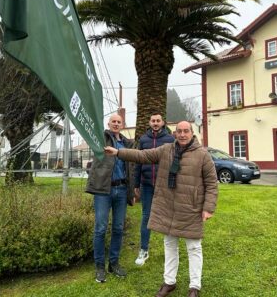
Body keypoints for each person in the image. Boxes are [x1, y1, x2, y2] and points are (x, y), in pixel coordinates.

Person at [104, 121, 218, 297]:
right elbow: (143, 155)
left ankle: (194, 286)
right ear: (175, 133)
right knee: (169, 245)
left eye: (185, 131)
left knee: (194, 248)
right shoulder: (166, 150)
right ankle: (169, 282)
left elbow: (211, 184)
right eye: (179, 131)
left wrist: (208, 207)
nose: (182, 134)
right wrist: (119, 152)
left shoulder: (203, 155)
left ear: (192, 133)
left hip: (191, 208)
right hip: (168, 207)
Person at [86, 113, 134, 283]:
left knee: (118, 229)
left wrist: (131, 192)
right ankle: (100, 266)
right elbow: (91, 129)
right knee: (100, 228)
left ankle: (113, 263)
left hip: (121, 190)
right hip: (103, 190)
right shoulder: (101, 139)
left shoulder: (127, 144)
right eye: (113, 121)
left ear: (123, 124)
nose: (116, 124)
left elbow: (131, 169)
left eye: (119, 122)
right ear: (108, 123)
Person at [133, 113, 175, 266]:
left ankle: (170, 251)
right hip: (147, 185)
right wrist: (136, 184)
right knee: (146, 216)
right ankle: (144, 250)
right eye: (153, 121)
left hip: (165, 185)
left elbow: (174, 162)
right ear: (149, 123)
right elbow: (138, 162)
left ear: (163, 122)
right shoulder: (143, 140)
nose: (155, 123)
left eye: (158, 121)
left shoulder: (170, 139)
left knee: (168, 216)